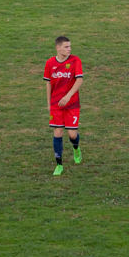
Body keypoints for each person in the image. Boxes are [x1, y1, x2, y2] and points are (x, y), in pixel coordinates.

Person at [44, 35, 84, 176]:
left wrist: (68, 97)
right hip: (56, 105)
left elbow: (79, 80)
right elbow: (48, 83)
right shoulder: (50, 63)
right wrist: (49, 103)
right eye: (66, 47)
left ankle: (76, 149)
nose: (69, 49)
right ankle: (59, 164)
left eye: (70, 46)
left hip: (72, 104)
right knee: (58, 132)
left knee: (72, 134)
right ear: (58, 48)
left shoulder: (75, 60)